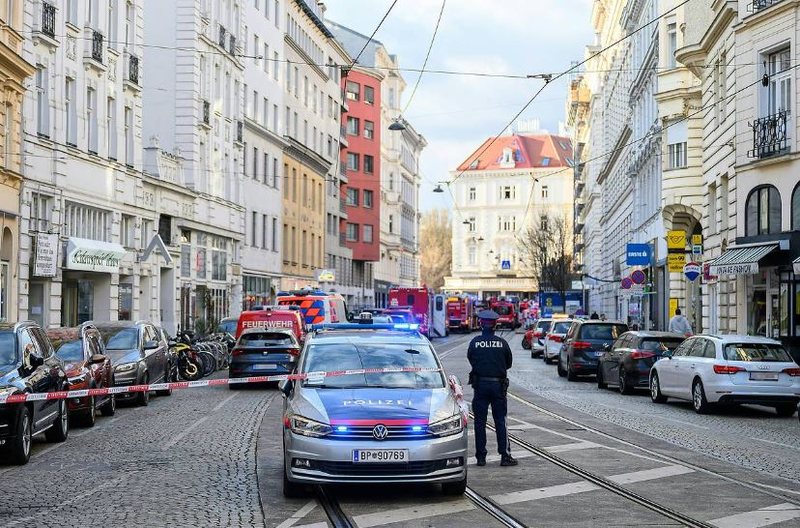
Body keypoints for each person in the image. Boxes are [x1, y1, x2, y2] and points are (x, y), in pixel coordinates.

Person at [467, 309, 517, 467]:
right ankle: (504, 455)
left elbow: (471, 359)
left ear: (481, 324)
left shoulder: (475, 342)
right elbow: (508, 363)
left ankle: (481, 457)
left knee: (479, 423)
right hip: (498, 386)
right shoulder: (502, 343)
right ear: (495, 324)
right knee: (500, 420)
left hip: (480, 386)